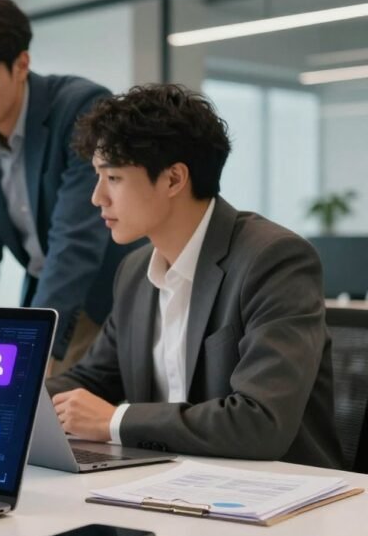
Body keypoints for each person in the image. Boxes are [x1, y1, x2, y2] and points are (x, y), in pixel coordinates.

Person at [46, 84, 343, 469]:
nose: (97, 197)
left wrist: (114, 420)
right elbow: (93, 378)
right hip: (168, 483)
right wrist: (10, 401)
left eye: (113, 178)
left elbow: (261, 421)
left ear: (173, 179)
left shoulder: (273, 260)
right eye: (97, 178)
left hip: (278, 494)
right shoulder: (135, 271)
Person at [0, 0, 139, 373]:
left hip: (107, 297)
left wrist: (36, 343)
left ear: (21, 64)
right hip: (45, 295)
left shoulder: (79, 107)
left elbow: (76, 242)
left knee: (56, 408)